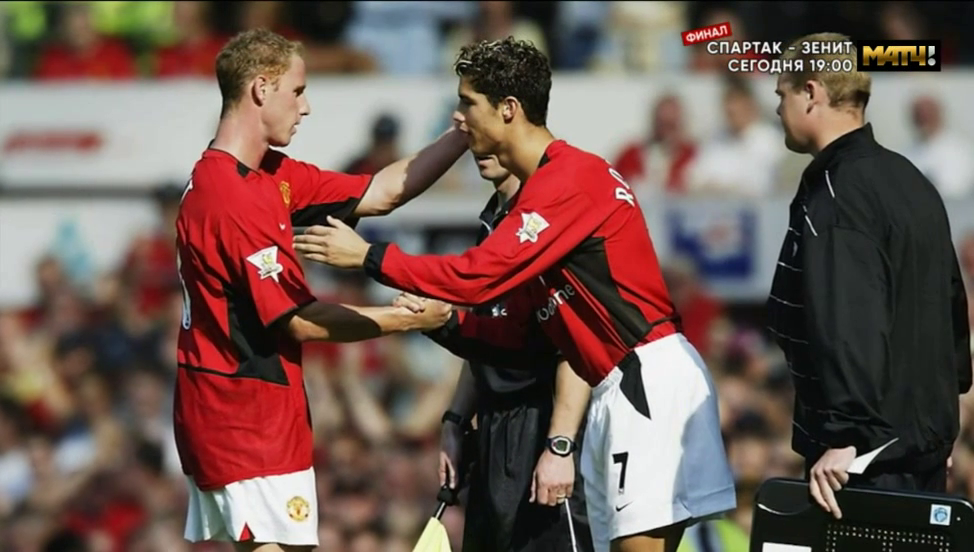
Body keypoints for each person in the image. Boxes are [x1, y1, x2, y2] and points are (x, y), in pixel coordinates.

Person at [294, 37, 737, 552]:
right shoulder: (544, 190)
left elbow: (478, 276)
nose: (459, 118)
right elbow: (512, 330)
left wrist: (370, 257)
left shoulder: (568, 180)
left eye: (468, 103)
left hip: (642, 382)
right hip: (625, 384)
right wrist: (442, 324)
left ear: (508, 109)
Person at [174, 28, 466, 552]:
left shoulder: (265, 176)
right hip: (243, 413)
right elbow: (300, 319)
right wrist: (408, 318)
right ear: (261, 88)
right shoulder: (232, 198)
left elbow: (379, 192)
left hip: (249, 408)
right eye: (298, 90)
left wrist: (463, 133)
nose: (306, 107)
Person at [767, 32, 972, 519]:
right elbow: (951, 310)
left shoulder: (839, 191)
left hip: (860, 465)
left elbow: (849, 320)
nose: (777, 109)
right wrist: (937, 431)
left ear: (812, 92)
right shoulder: (910, 179)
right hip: (922, 451)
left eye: (782, 94)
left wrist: (849, 437)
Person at [407, 153, 594, 552]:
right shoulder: (492, 222)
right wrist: (456, 420)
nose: (473, 137)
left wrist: (560, 446)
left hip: (542, 427)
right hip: (492, 433)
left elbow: (576, 345)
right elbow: (485, 336)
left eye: (478, 122)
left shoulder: (547, 220)